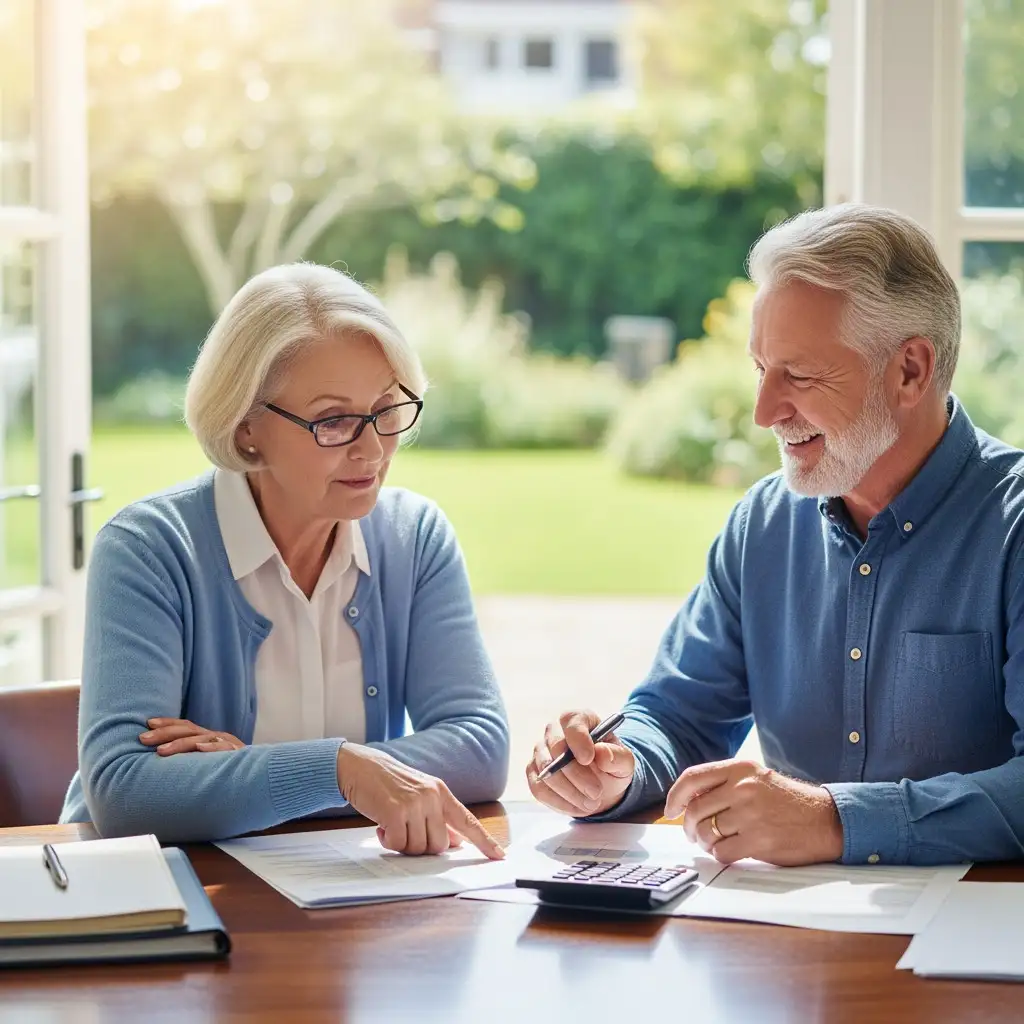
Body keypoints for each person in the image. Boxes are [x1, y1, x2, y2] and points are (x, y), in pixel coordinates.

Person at [528, 204, 1024, 867]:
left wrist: (834, 821)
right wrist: (617, 768)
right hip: (786, 923)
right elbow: (679, 718)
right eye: (761, 369)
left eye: (801, 375)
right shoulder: (762, 525)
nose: (764, 412)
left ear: (910, 370)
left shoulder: (1013, 529)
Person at [61, 263, 509, 857]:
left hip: (339, 889)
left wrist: (256, 772)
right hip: (154, 891)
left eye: (385, 409)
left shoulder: (415, 537)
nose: (373, 449)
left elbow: (479, 748)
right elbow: (127, 792)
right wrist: (340, 771)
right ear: (247, 428)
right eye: (334, 420)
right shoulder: (149, 549)